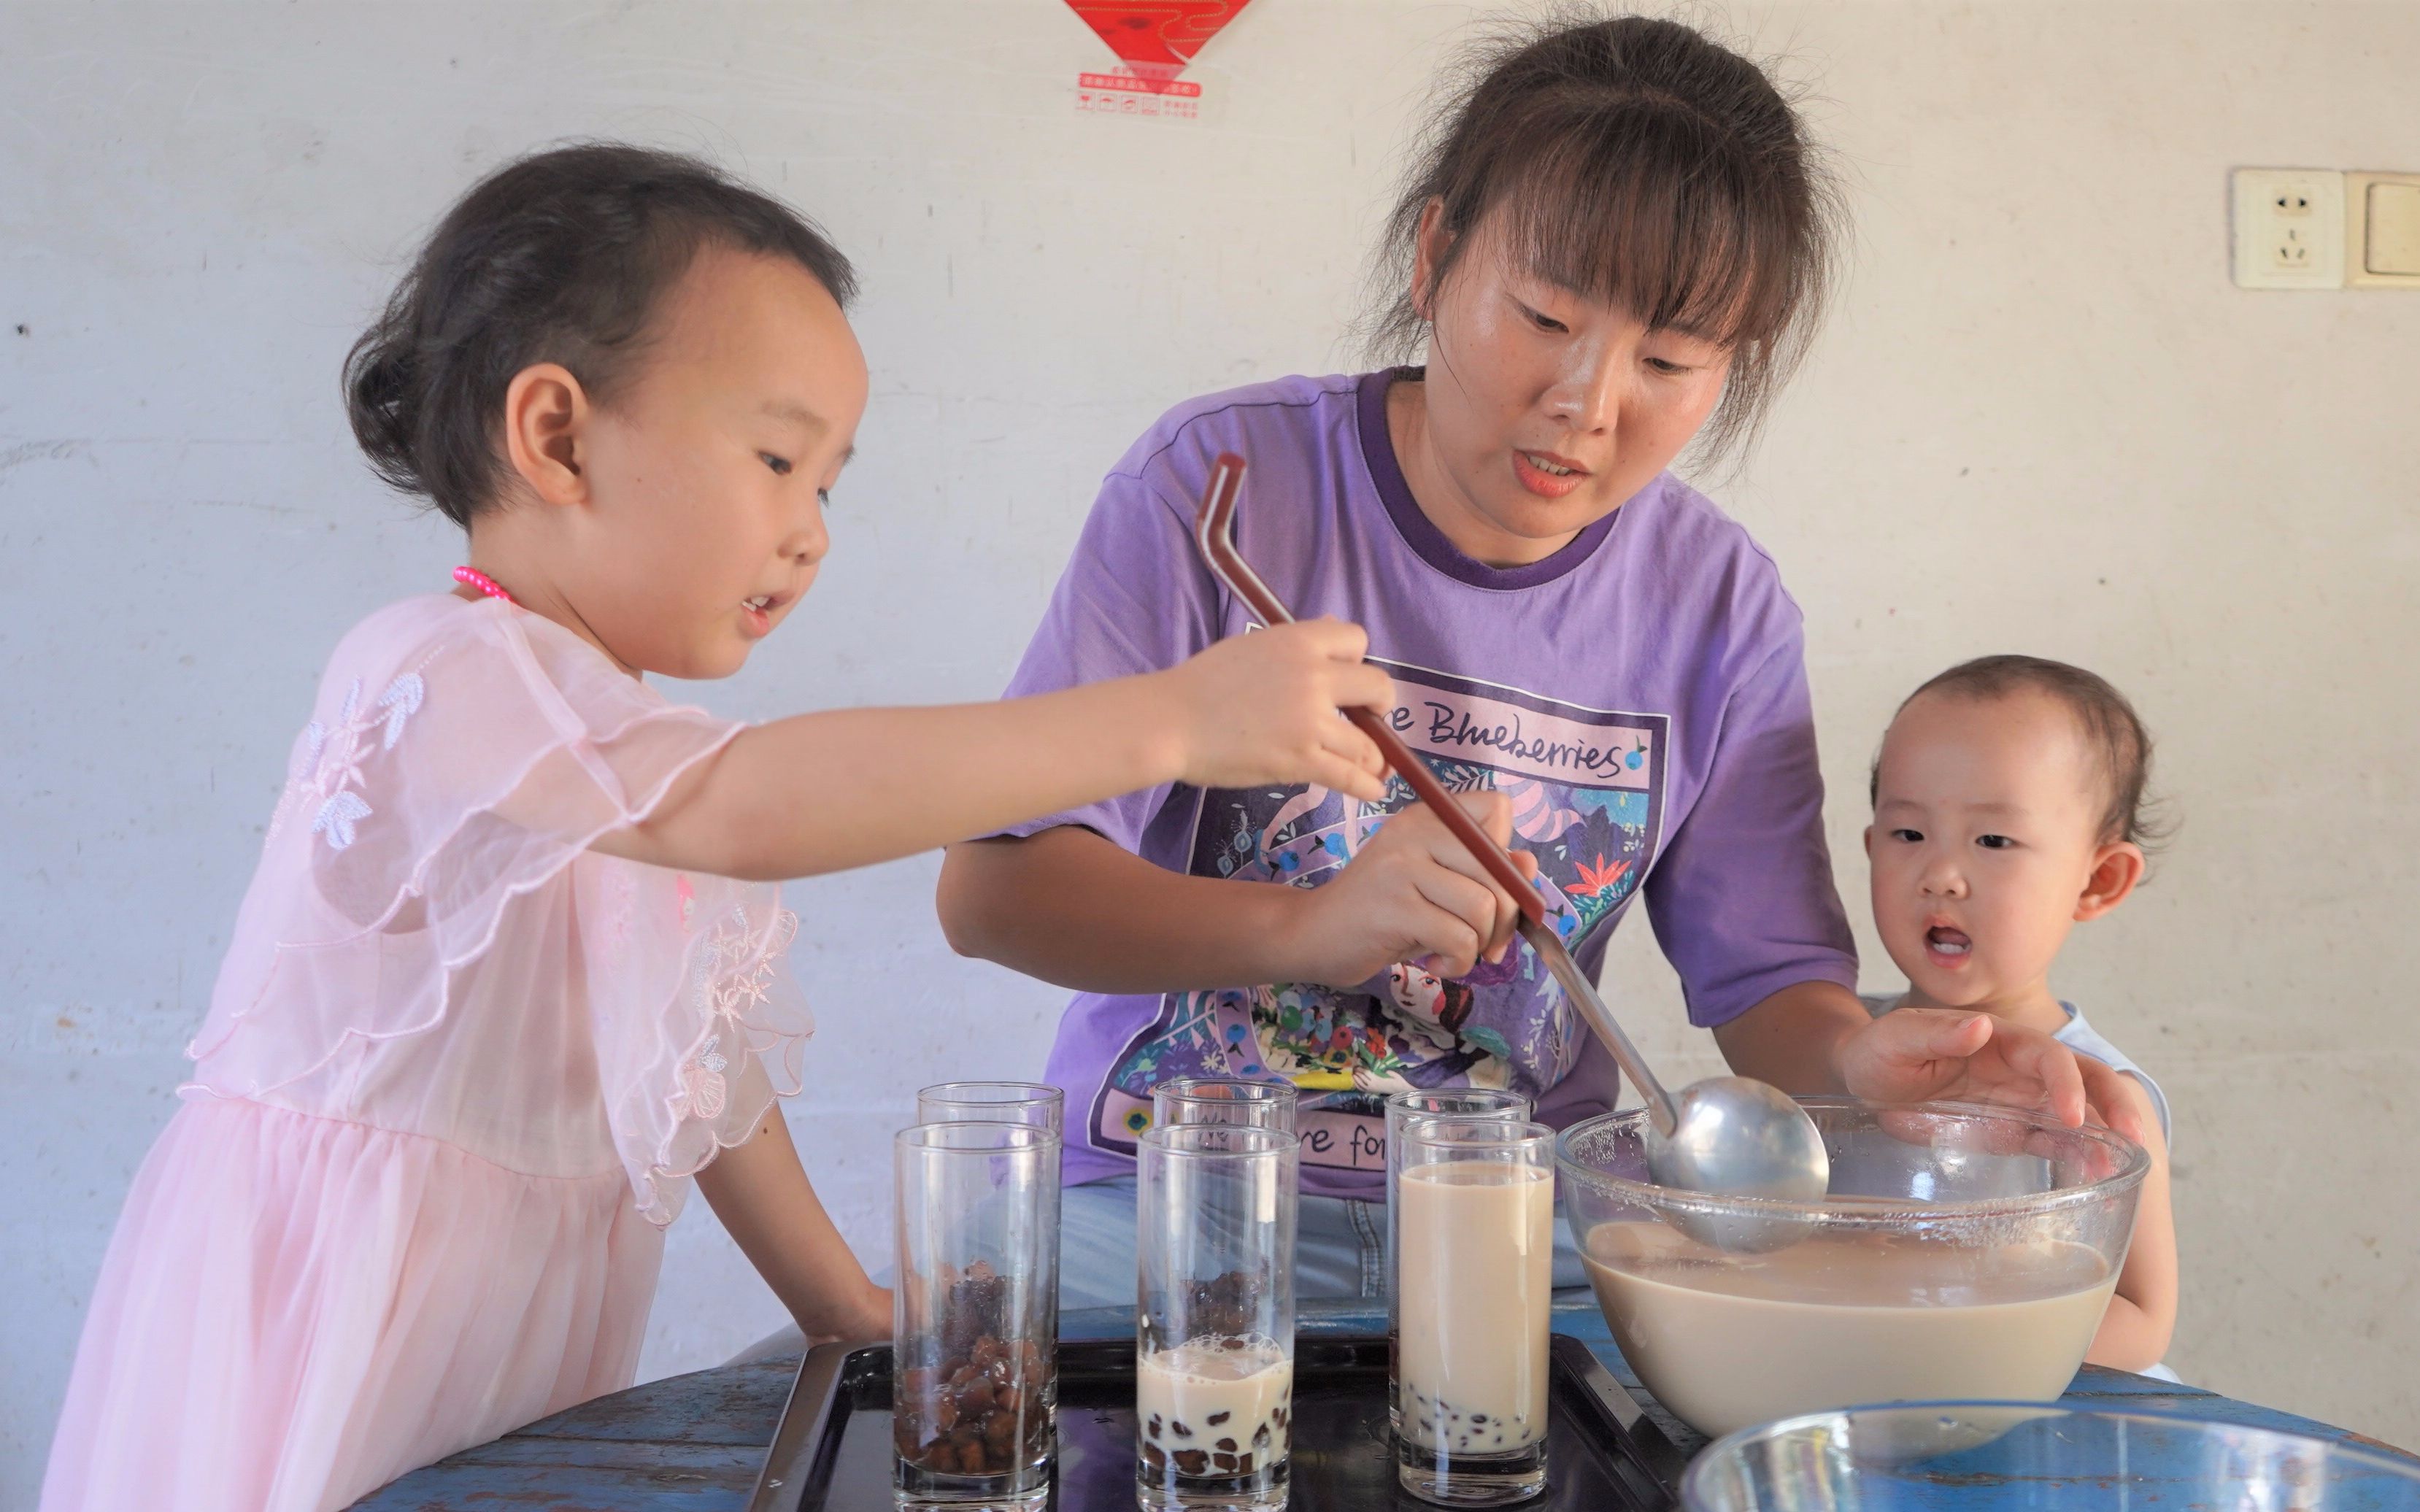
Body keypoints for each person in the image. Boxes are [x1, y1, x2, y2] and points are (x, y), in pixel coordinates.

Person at [40, 143, 1395, 1512]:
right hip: (337, 1309)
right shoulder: (447, 669)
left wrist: (844, 1306)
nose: (810, 536)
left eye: (828, 485)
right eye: (775, 459)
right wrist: (1165, 722)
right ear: (557, 435)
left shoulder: (605, 749)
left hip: (514, 1330)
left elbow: (707, 1071)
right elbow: (746, 806)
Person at [937, 14, 2141, 1308]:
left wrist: (1870, 1078)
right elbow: (995, 893)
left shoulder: (1717, 606)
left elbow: (1770, 986)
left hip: (1510, 1229)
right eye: (1546, 315)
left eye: (1670, 362)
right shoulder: (1227, 489)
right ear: (1435, 255)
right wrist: (1305, 927)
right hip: (1158, 1195)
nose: (1590, 399)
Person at [1863, 655, 2179, 1375]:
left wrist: (1946, 1335)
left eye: (1993, 840)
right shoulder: (1845, 1049)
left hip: (2052, 1418)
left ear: (2097, 879)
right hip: (1877, 1393)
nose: (1940, 872)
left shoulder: (2094, 1092)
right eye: (1908, 834)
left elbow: (2142, 1321)